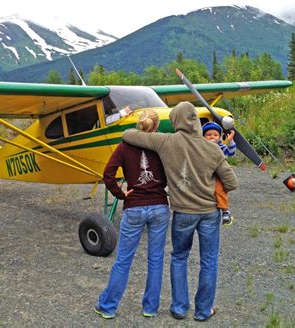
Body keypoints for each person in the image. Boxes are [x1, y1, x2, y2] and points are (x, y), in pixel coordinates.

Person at [122, 101, 238, 322]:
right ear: (195, 120)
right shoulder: (212, 147)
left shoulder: (166, 141)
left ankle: (179, 308)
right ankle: (204, 311)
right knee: (209, 260)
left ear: (175, 120)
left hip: (183, 213)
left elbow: (129, 135)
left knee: (179, 257)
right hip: (208, 212)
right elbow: (232, 183)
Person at [94, 109, 170, 319]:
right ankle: (150, 308)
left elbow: (108, 174)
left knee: (124, 259)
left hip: (134, 206)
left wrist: (120, 194)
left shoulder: (125, 145)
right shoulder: (162, 144)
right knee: (155, 259)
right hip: (159, 206)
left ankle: (108, 307)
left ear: (139, 125)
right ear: (155, 127)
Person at [202, 122, 237, 225]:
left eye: (215, 135)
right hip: (204, 173)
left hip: (217, 175)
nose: (212, 137)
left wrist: (230, 141)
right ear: (203, 137)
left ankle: (225, 210)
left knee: (219, 190)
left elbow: (232, 153)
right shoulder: (201, 147)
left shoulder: (222, 147)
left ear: (219, 137)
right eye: (208, 135)